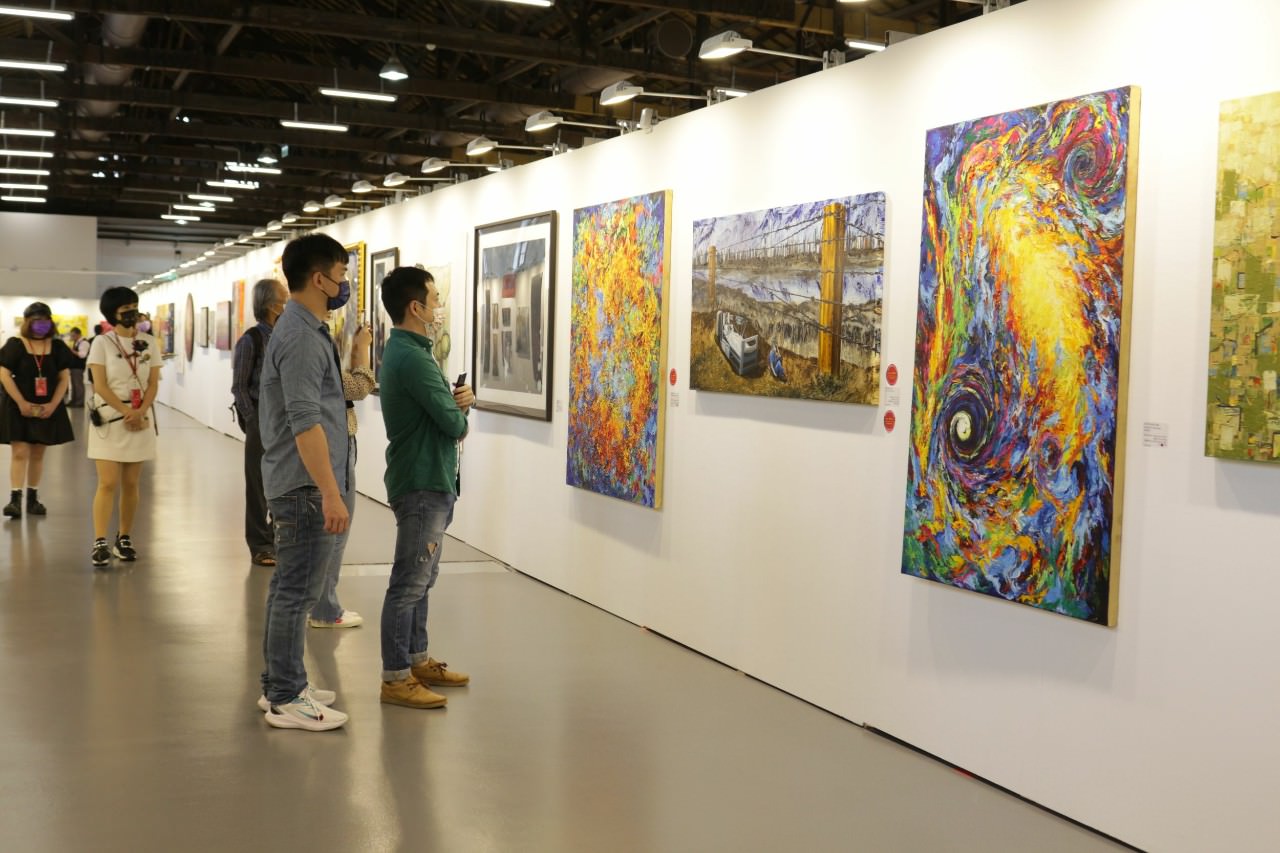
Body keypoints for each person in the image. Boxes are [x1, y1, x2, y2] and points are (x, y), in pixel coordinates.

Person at [256, 232, 352, 732]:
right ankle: (287, 696)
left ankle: (279, 682)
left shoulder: (302, 329)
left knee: (287, 589)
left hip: (297, 483)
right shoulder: (299, 337)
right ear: (319, 279)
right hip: (304, 486)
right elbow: (305, 421)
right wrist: (331, 492)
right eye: (341, 275)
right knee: (297, 592)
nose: (344, 284)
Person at [377, 266, 474, 710]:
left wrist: (455, 405)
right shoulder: (414, 358)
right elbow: (454, 424)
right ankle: (396, 676)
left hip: (427, 476)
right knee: (410, 582)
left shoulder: (411, 351)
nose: (439, 308)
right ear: (416, 307)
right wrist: (461, 408)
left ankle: (416, 660)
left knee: (422, 578)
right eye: (435, 300)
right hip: (420, 480)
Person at [86, 288, 162, 568]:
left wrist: (140, 411)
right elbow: (100, 385)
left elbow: (153, 382)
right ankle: (100, 541)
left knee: (132, 483)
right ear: (112, 314)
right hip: (110, 418)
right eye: (125, 308)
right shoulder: (102, 343)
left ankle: (124, 537)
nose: (132, 313)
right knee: (107, 482)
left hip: (140, 418)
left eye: (134, 306)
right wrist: (126, 410)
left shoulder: (149, 342)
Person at [308, 322, 374, 628]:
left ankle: (321, 603)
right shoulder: (311, 340)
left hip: (333, 440)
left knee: (330, 530)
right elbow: (358, 387)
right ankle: (324, 608)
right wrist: (363, 348)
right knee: (336, 528)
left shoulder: (303, 336)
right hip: (334, 442)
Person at [0, 302, 76, 518]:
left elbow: (64, 378)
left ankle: (33, 499)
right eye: (36, 321)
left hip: (47, 407)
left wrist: (53, 404)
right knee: (19, 452)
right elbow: (4, 374)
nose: (41, 325)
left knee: (38, 453)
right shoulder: (15, 345)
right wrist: (21, 402)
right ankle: (15, 499)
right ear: (27, 322)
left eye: (45, 320)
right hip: (18, 406)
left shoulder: (58, 347)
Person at [231, 278, 288, 567]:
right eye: (283, 299)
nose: (288, 304)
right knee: (257, 486)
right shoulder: (251, 340)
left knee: (283, 483)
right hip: (261, 420)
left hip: (287, 421)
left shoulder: (286, 336)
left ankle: (280, 539)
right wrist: (253, 421)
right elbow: (239, 386)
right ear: (271, 305)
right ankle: (260, 545)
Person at [67, 326, 89, 407]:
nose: (72, 337)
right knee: (73, 384)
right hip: (74, 367)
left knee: (78, 384)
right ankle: (73, 401)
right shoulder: (76, 342)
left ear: (78, 334)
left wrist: (71, 350)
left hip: (78, 367)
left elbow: (82, 355)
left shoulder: (84, 343)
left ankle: (79, 402)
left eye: (73, 335)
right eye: (71, 335)